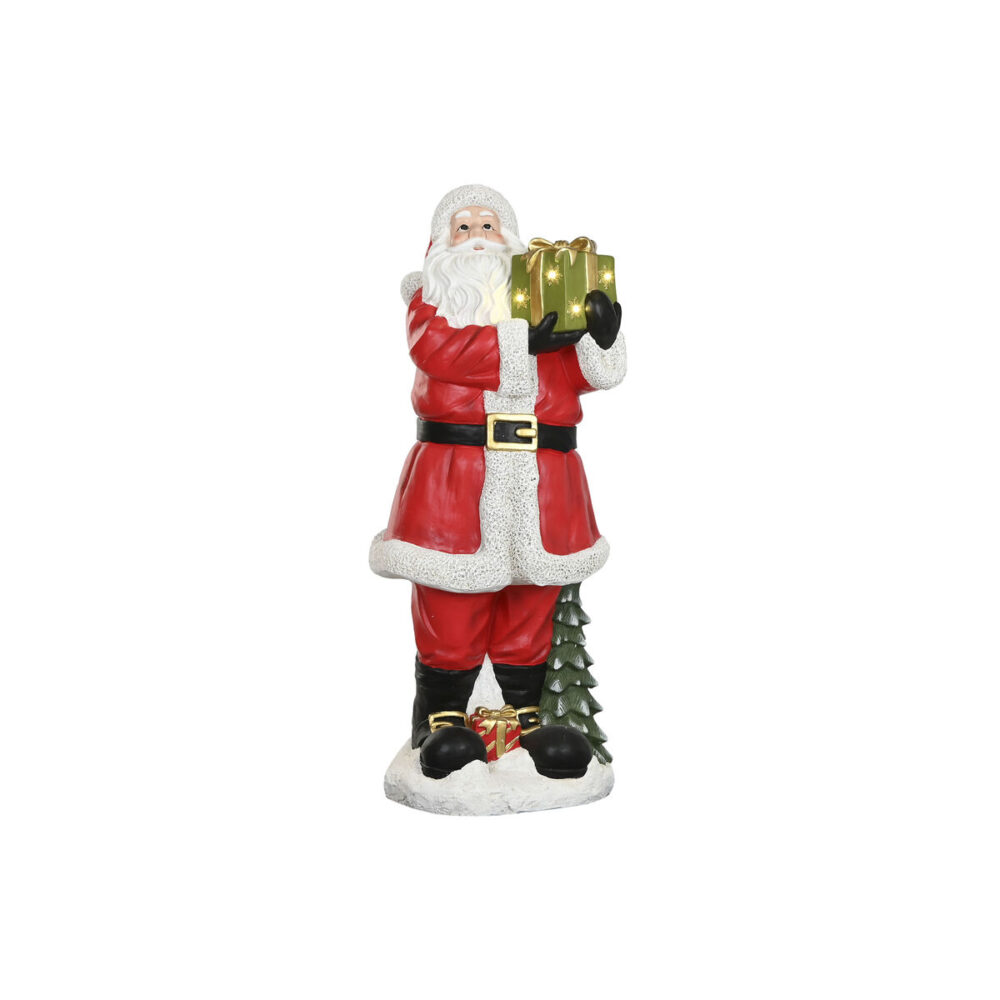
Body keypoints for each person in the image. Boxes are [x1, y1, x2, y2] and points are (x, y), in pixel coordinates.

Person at [369, 184, 626, 780]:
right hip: (457, 474)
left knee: (533, 591)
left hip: (545, 476)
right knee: (451, 592)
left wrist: (598, 334)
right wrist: (519, 341)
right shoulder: (431, 300)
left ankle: (526, 713)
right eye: (463, 227)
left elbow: (584, 376)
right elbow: (438, 350)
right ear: (440, 243)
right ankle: (443, 716)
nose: (477, 236)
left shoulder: (539, 302)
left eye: (489, 225)